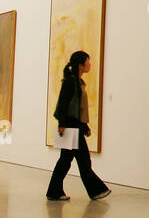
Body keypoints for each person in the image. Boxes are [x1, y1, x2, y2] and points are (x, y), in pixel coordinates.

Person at [46, 50, 110, 201]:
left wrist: (85, 126)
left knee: (66, 161)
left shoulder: (78, 82)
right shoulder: (70, 82)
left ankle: (54, 191)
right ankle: (96, 190)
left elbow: (79, 107)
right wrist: (61, 124)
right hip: (70, 126)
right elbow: (63, 103)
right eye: (88, 61)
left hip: (76, 126)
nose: (90, 64)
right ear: (81, 65)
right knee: (83, 161)